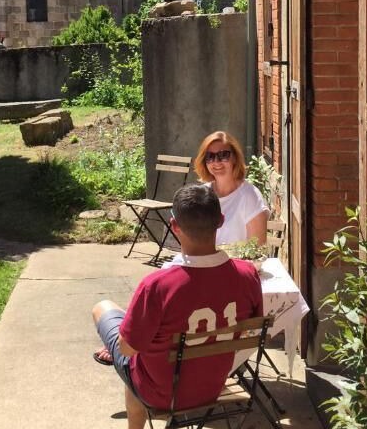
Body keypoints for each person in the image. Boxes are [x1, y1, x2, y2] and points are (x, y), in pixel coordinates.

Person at [91, 184, 263, 429]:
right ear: (221, 221)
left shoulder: (157, 286)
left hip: (161, 393)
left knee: (103, 308)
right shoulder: (247, 274)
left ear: (174, 226)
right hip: (214, 386)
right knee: (136, 362)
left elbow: (127, 349)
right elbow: (252, 331)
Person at [193, 130, 269, 246]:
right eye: (210, 156)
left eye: (223, 155)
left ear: (235, 158)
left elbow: (257, 250)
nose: (216, 161)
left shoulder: (249, 196)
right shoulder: (201, 195)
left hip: (237, 263)